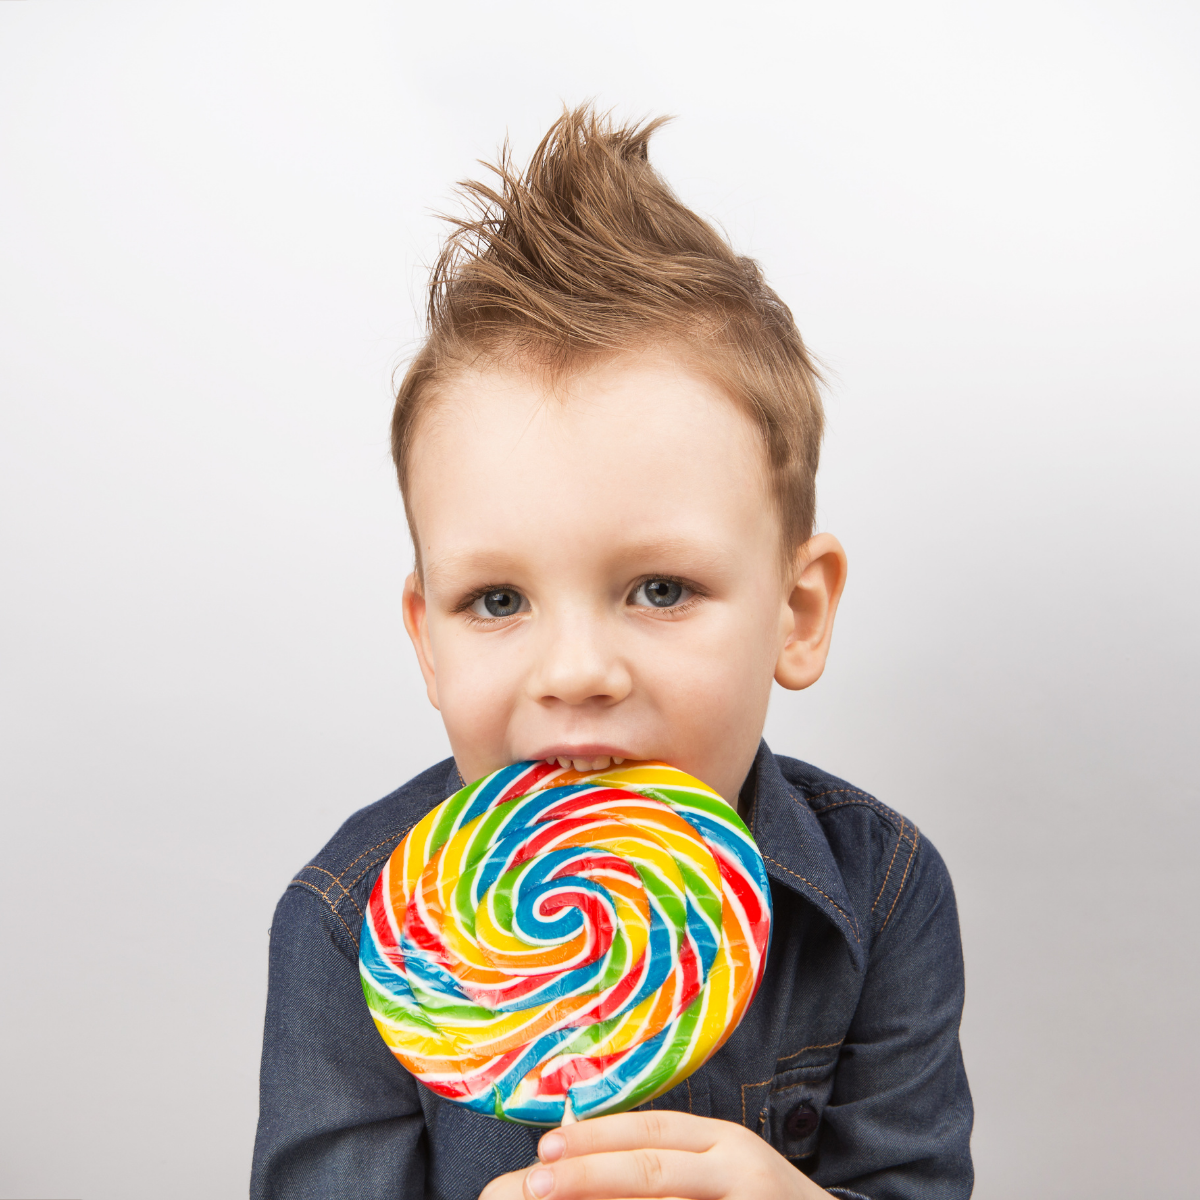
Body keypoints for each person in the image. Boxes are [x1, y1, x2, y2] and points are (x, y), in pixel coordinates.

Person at [251, 106, 972, 1200]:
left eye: (661, 589)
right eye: (498, 600)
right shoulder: (355, 932)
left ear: (798, 611)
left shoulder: (883, 896)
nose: (576, 670)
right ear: (427, 643)